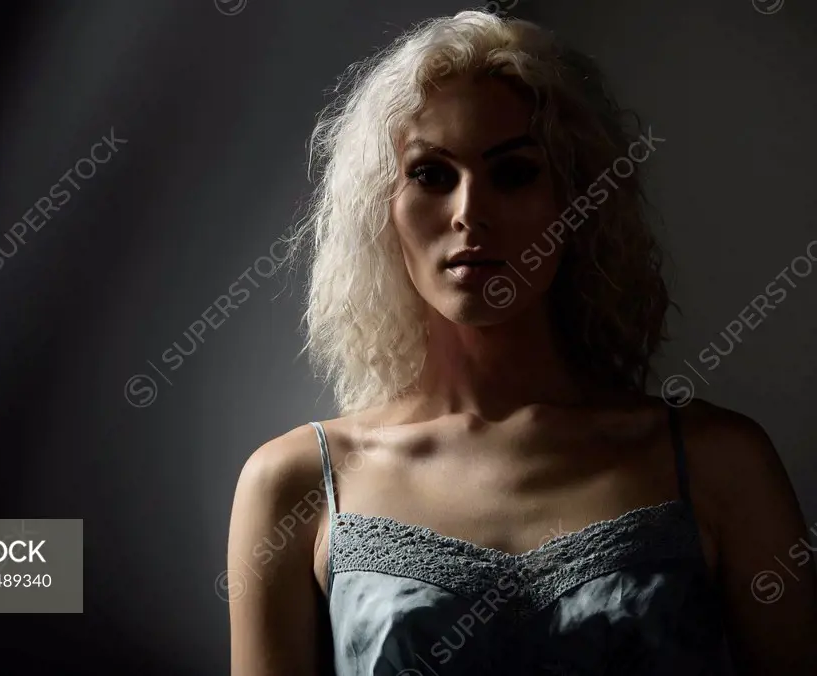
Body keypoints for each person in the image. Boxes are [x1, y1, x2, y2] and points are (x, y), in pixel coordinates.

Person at [226, 9, 817, 675]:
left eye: (513, 173)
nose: (469, 212)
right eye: (430, 173)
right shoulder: (296, 484)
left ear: (574, 201)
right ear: (380, 205)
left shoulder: (718, 462)